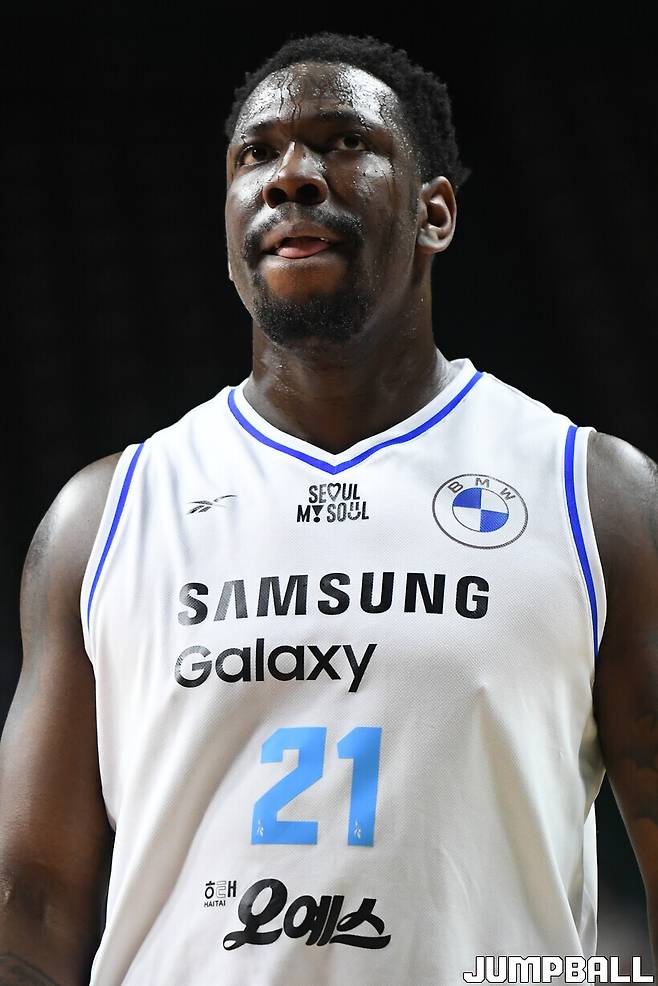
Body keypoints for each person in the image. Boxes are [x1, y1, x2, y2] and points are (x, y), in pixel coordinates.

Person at [0, 31, 656, 986]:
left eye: (345, 143)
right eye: (256, 154)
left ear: (435, 214)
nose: (291, 176)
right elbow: (31, 897)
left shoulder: (597, 499)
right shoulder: (102, 518)